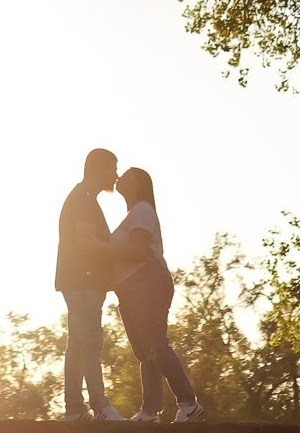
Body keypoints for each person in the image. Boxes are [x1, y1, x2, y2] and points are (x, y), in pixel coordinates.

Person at [110, 166, 202, 423]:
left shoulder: (141, 210)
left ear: (138, 184)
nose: (119, 177)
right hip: (132, 286)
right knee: (146, 351)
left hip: (147, 281)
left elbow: (139, 251)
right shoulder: (133, 214)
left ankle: (189, 403)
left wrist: (101, 249)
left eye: (126, 174)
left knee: (156, 345)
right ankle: (150, 411)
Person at [56, 148, 123, 420]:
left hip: (78, 281)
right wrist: (120, 250)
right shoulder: (83, 200)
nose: (116, 175)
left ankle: (74, 408)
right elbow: (87, 245)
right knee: (90, 343)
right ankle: (101, 406)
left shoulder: (83, 198)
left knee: (77, 344)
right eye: (113, 168)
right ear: (98, 169)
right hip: (82, 282)